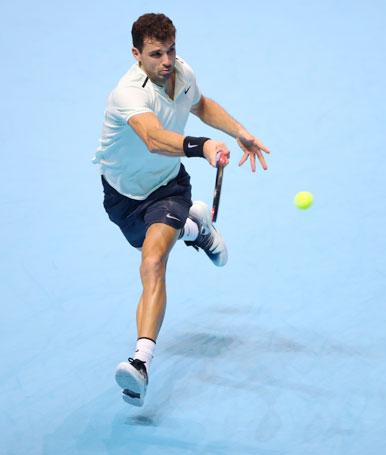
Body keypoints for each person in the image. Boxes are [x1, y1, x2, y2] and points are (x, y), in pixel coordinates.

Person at [92, 12, 270, 406]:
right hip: (122, 196)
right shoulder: (128, 94)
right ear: (137, 54)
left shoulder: (182, 73)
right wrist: (202, 146)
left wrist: (239, 132)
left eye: (171, 50)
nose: (167, 61)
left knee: (153, 259)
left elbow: (201, 105)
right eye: (156, 54)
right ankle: (197, 229)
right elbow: (153, 138)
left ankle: (139, 362)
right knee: (150, 243)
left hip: (168, 186)